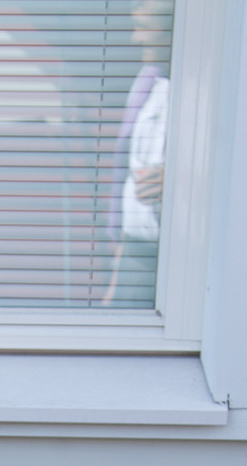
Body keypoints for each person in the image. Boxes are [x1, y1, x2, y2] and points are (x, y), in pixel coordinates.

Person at [104, 0, 170, 307]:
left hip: (173, 255)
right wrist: (116, 279)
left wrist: (180, 183)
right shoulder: (148, 83)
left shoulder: (203, 89)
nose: (135, 38)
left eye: (144, 27)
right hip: (135, 253)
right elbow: (127, 175)